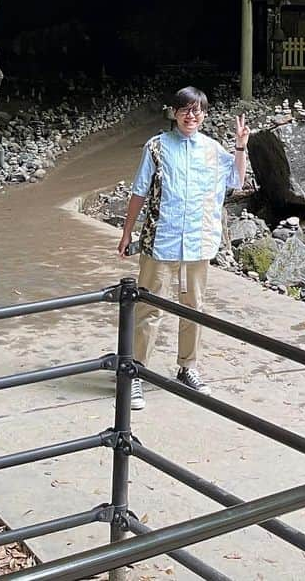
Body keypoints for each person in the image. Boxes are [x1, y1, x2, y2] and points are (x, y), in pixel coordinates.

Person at [117, 86, 250, 410]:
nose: (191, 116)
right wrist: (126, 233)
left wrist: (240, 147)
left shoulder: (213, 149)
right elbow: (139, 192)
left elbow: (237, 180)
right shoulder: (157, 147)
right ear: (174, 112)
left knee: (193, 307)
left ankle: (187, 367)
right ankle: (136, 373)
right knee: (149, 308)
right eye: (185, 110)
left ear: (204, 115)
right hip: (160, 240)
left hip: (197, 241)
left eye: (197, 110)